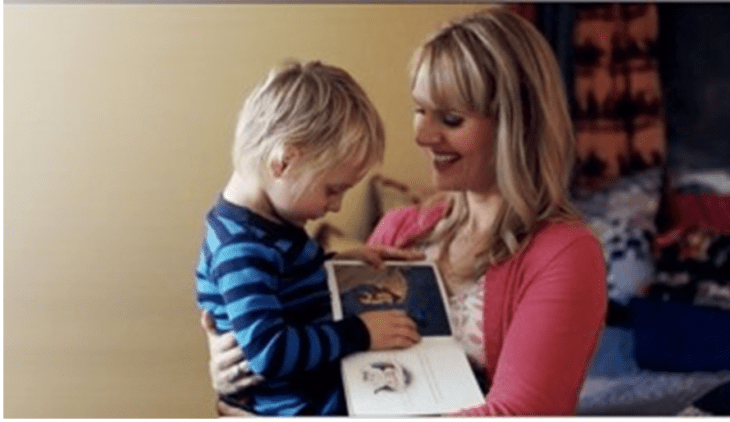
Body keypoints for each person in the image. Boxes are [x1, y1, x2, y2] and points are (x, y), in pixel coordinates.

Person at [202, 8, 607, 416]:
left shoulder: (564, 254)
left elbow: (522, 413)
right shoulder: (401, 230)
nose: (422, 135)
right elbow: (315, 345)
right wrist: (232, 371)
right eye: (419, 109)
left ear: (515, 127)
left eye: (450, 119)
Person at [195, 60, 423, 416]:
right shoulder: (240, 249)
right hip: (300, 407)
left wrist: (345, 261)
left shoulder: (270, 222)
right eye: (332, 189)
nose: (336, 205)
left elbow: (284, 281)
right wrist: (361, 332)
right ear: (284, 162)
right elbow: (271, 352)